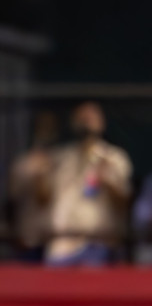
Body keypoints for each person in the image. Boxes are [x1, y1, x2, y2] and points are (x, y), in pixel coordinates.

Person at [41, 101, 131, 266]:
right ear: (72, 123)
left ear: (101, 122)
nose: (86, 120)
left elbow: (124, 202)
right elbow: (43, 199)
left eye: (91, 116)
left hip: (97, 244)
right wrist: (40, 169)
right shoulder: (59, 158)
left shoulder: (114, 158)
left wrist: (107, 178)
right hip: (61, 244)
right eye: (82, 117)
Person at [8, 109, 59, 261]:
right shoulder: (21, 165)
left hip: (57, 242)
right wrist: (15, 237)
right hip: (28, 241)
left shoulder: (64, 163)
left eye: (50, 127)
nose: (46, 132)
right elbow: (11, 205)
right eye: (42, 126)